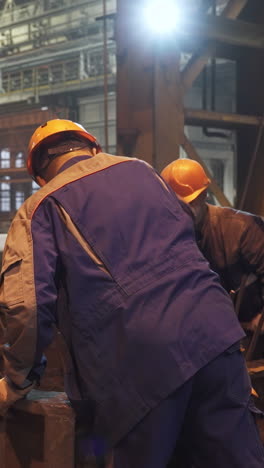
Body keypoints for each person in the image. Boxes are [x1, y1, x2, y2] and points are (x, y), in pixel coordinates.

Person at [0, 119, 263, 468]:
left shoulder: (41, 206)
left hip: (139, 360)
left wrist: (17, 379)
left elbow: (26, 306)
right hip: (216, 335)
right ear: (92, 148)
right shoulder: (143, 172)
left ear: (40, 174)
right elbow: (188, 241)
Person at [161, 158, 264, 334]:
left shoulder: (242, 229)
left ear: (204, 195)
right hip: (205, 335)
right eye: (176, 207)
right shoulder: (164, 238)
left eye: (189, 205)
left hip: (252, 335)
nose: (183, 214)